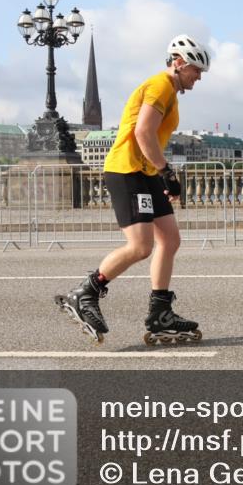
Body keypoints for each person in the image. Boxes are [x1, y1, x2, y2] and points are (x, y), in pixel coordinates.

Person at [55, 34, 211, 345]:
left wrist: (161, 173)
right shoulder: (160, 86)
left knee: (170, 238)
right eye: (196, 70)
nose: (198, 77)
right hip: (127, 170)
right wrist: (166, 171)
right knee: (141, 247)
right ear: (179, 64)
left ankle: (160, 312)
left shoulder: (169, 91)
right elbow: (143, 132)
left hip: (144, 171)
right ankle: (85, 292)